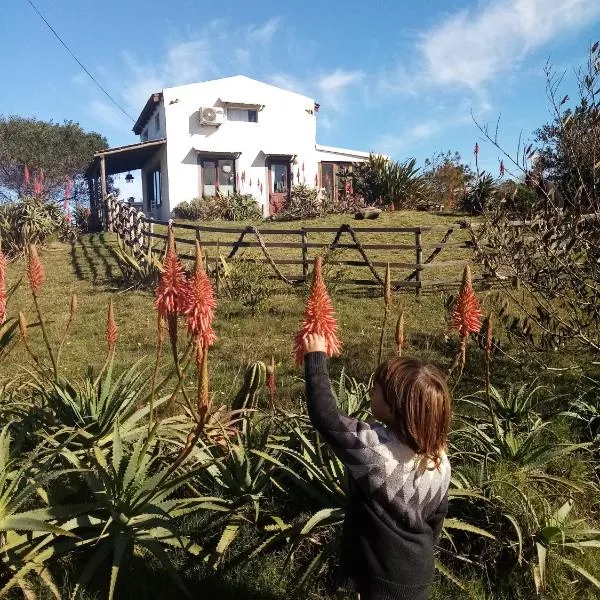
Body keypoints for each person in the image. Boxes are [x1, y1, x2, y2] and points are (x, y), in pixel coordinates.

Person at [302, 333, 452, 600]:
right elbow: (436, 520)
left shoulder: (374, 451)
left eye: (377, 389)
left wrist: (315, 357)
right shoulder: (440, 461)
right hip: (418, 574)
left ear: (395, 407)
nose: (371, 390)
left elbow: (326, 418)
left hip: (379, 577)